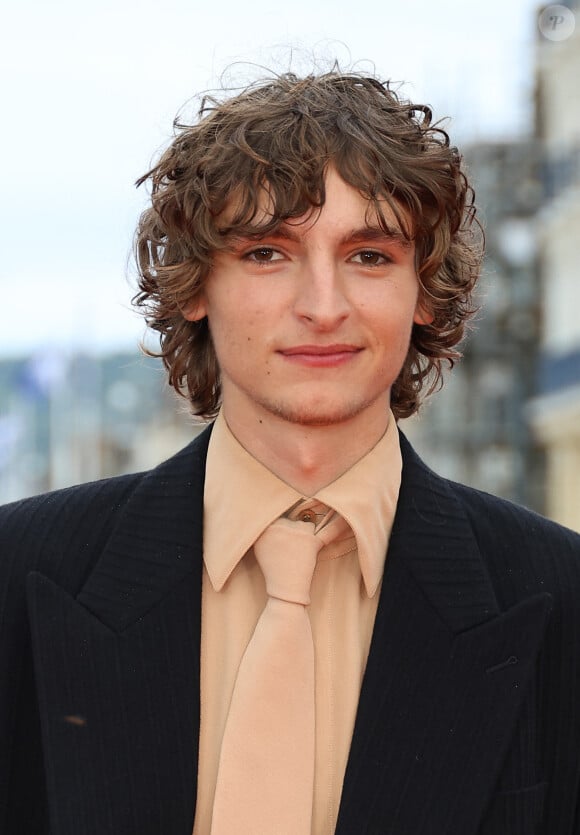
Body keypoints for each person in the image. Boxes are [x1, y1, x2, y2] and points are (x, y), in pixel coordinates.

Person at [1, 69, 579, 835]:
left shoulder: (561, 600)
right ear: (194, 285)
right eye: (268, 253)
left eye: (369, 255)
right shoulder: (17, 575)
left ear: (426, 290)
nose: (322, 306)